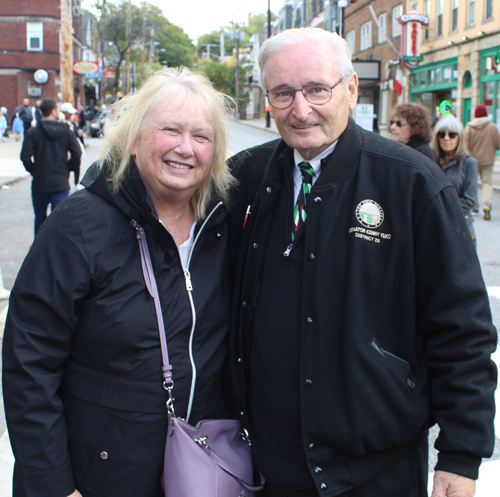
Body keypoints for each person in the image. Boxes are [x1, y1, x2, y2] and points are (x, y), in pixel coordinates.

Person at [226, 27, 497, 497]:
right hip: (261, 466)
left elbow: (462, 329)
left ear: (351, 89)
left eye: (317, 89)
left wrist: (461, 454)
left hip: (376, 471)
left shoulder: (411, 183)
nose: (300, 109)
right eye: (283, 93)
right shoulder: (244, 178)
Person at [3, 67, 235, 497]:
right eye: (170, 130)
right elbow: (29, 362)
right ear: (132, 139)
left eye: (201, 137)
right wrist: (54, 486)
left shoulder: (222, 226)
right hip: (97, 476)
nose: (185, 148)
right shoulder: (79, 225)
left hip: (198, 471)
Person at [20, 98, 82, 234]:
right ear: (53, 111)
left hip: (40, 182)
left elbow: (25, 156)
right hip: (60, 182)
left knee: (40, 218)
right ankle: (56, 246)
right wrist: (68, 168)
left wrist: (34, 170)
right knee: (59, 220)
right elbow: (77, 153)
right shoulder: (66, 131)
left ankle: (39, 245)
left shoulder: (33, 132)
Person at [431, 115, 478, 249]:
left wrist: (438, 209)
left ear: (460, 137)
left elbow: (469, 200)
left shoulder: (469, 162)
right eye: (441, 134)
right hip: (433, 227)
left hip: (460, 226)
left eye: (452, 135)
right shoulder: (431, 160)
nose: (446, 138)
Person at [464, 104, 500, 220]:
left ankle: (475, 207)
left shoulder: (469, 127)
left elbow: (465, 146)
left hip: (473, 160)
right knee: (487, 183)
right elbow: (498, 144)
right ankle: (487, 204)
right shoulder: (493, 127)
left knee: (473, 182)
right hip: (488, 160)